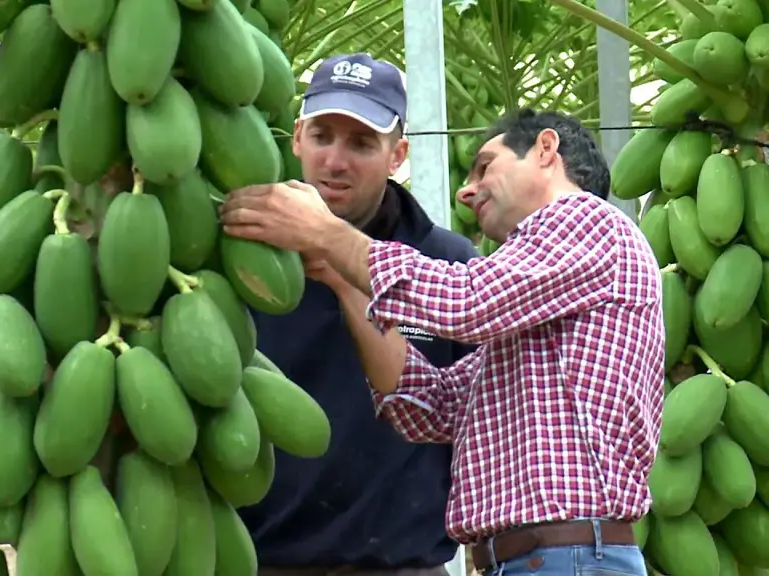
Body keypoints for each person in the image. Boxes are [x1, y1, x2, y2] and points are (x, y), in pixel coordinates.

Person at [220, 108, 664, 576]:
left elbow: (464, 301)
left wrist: (328, 234)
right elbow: (430, 405)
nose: (465, 191)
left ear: (545, 149)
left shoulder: (588, 222)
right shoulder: (540, 317)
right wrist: (344, 282)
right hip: (537, 559)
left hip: (564, 558)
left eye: (485, 165)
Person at [237, 53, 478, 576]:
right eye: (323, 136)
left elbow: (484, 420)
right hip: (261, 562)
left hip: (401, 565)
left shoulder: (447, 266)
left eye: (362, 143)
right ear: (297, 137)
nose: (336, 161)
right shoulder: (238, 259)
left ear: (399, 155)